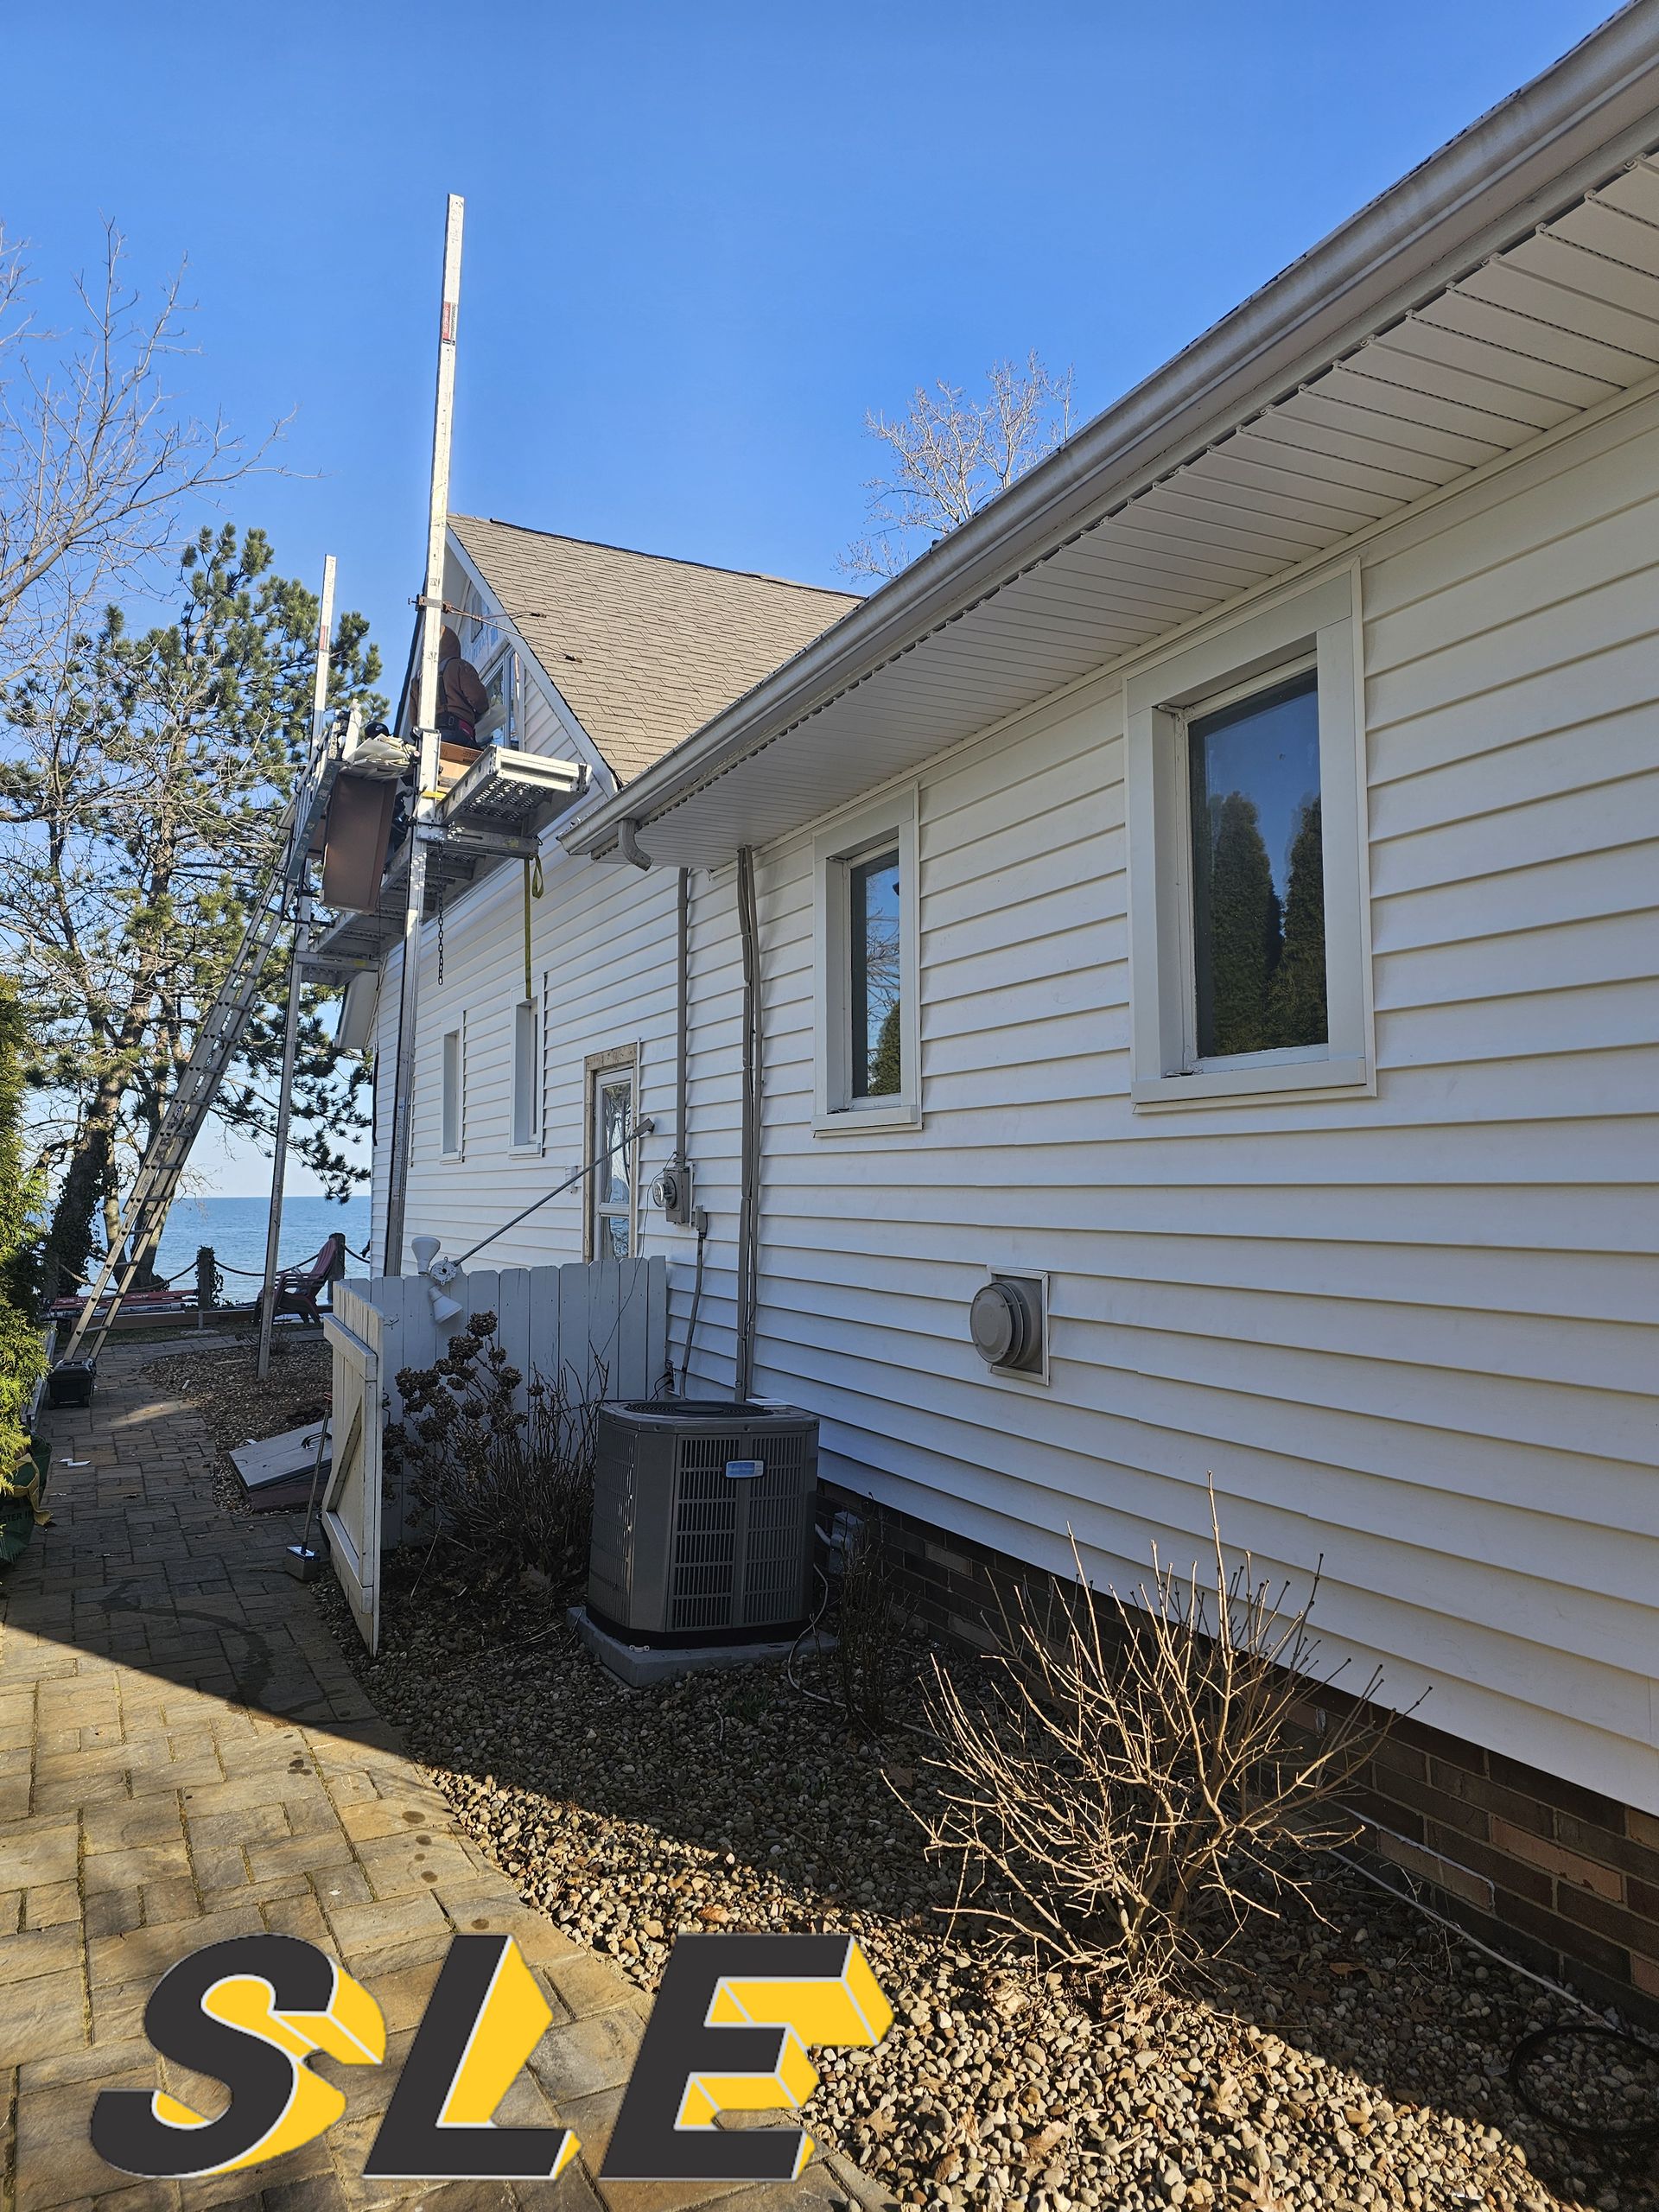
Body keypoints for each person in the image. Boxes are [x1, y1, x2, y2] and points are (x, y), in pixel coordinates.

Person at [410, 626, 489, 744]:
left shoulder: (418, 679)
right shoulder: (458, 666)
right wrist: (479, 712)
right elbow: (478, 698)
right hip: (458, 733)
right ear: (454, 645)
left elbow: (414, 718)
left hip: (427, 738)